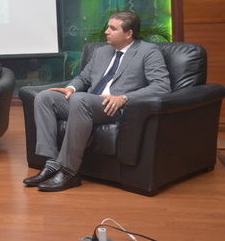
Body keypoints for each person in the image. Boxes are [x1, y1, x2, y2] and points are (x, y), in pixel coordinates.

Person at [24, 11, 171, 192]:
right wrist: (71, 88)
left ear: (128, 33)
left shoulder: (147, 51)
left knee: (80, 99)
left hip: (115, 107)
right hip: (86, 102)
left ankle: (70, 171)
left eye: (112, 28)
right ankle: (52, 162)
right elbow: (84, 78)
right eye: (107, 27)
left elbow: (161, 86)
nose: (106, 32)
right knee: (44, 97)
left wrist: (124, 98)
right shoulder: (101, 52)